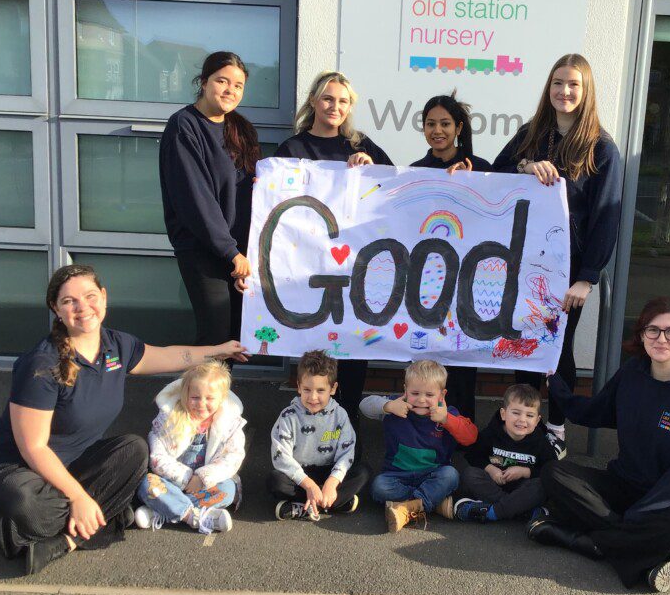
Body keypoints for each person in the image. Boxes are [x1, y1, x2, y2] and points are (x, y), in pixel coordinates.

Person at [0, 265, 249, 575]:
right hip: (13, 473)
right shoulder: (42, 365)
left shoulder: (116, 347)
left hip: (71, 468)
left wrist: (218, 351)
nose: (83, 307)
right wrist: (80, 497)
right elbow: (34, 448)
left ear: (104, 298)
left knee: (135, 450)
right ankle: (106, 514)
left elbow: (171, 355)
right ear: (56, 309)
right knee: (23, 507)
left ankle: (66, 540)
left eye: (90, 296)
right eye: (69, 301)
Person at [529, 297, 670, 593]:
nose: (662, 339)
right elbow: (595, 412)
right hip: (625, 486)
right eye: (653, 330)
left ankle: (587, 542)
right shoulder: (633, 374)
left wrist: (648, 509)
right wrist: (555, 384)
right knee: (554, 474)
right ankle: (641, 549)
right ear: (642, 335)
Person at [494, 53, 623, 456]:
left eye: (573, 85)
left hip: (568, 272)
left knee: (557, 347)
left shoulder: (602, 147)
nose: (564, 92)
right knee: (524, 341)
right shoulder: (531, 134)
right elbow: (495, 175)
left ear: (586, 92)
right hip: (525, 262)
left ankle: (555, 427)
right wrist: (526, 167)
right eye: (557, 83)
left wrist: (588, 277)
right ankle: (524, 423)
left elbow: (607, 216)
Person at [275, 71, 393, 441]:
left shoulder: (361, 145)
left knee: (354, 347)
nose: (335, 107)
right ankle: (308, 428)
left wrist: (371, 168)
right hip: (309, 265)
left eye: (343, 101)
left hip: (355, 265)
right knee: (314, 348)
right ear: (313, 101)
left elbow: (395, 189)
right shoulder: (291, 150)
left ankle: (349, 428)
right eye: (328, 99)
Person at [159, 50, 261, 347]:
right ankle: (199, 395)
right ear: (203, 82)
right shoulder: (183, 126)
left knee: (235, 338)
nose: (230, 90)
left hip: (239, 253)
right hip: (204, 251)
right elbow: (195, 199)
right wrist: (231, 253)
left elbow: (252, 187)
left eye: (238, 85)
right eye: (222, 81)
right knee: (214, 340)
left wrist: (247, 254)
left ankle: (220, 395)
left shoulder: (241, 129)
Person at [411, 91, 491, 423]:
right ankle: (420, 430)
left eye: (445, 123)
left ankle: (462, 431)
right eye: (431, 124)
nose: (437, 130)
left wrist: (475, 182)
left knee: (462, 361)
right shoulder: (414, 171)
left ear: (458, 127)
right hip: (426, 282)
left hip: (467, 283)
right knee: (424, 360)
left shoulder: (482, 169)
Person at [359, 360, 477, 532]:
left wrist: (446, 420)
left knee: (451, 475)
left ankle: (406, 508)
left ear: (442, 395)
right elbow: (364, 405)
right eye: (415, 393)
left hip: (433, 474)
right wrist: (387, 406)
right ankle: (433, 503)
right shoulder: (396, 406)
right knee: (379, 486)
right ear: (405, 389)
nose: (421, 400)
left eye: (429, 395)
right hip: (397, 476)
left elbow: (471, 437)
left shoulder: (447, 413)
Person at [134, 361, 245, 535]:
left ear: (222, 399)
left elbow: (232, 458)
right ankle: (194, 516)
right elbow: (158, 457)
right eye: (195, 397)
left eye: (209, 398)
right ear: (185, 395)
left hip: (206, 484)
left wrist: (202, 478)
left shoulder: (229, 424)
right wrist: (186, 480)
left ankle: (162, 509)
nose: (201, 404)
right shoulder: (168, 420)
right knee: (146, 482)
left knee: (228, 490)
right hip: (172, 481)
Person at [268, 350, 369, 520]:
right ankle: (333, 503)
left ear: (333, 388)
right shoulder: (288, 416)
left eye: (320, 390)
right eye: (307, 389)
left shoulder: (341, 415)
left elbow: (346, 453)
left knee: (363, 472)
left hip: (329, 471)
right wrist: (308, 485)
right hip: (300, 474)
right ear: (299, 386)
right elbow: (281, 457)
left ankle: (303, 506)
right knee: (275, 480)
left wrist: (332, 483)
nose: (313, 397)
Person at [453, 384, 560, 522]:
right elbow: (473, 455)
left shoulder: (540, 442)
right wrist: (490, 469)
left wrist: (525, 472)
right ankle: (520, 510)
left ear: (537, 420)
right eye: (516, 413)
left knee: (540, 486)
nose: (522, 420)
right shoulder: (491, 433)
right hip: (495, 485)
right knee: (470, 474)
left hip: (524, 488)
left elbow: (552, 470)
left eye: (529, 415)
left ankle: (494, 512)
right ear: (503, 414)